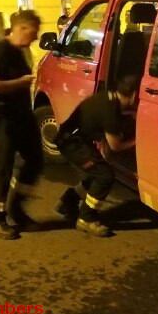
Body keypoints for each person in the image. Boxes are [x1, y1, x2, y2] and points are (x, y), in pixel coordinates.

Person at [0, 9, 43, 240]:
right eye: (33, 32)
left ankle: (16, 208)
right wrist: (20, 82)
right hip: (1, 119)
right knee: (2, 169)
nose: (36, 37)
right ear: (22, 28)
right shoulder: (0, 51)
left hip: (21, 116)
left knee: (35, 159)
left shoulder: (21, 51)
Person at [54, 75, 139, 237]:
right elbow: (115, 146)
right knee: (105, 176)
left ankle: (67, 202)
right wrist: (137, 141)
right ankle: (86, 218)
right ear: (134, 95)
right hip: (72, 144)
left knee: (96, 172)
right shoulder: (111, 111)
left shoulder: (109, 98)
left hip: (71, 139)